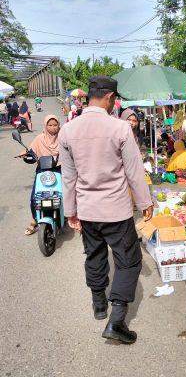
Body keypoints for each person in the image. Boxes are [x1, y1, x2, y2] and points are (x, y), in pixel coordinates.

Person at [59, 76, 153, 344]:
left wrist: (70, 211)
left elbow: (69, 176)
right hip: (117, 211)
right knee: (129, 261)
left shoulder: (68, 130)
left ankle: (99, 306)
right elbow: (134, 172)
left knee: (95, 255)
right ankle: (116, 321)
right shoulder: (121, 128)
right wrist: (146, 203)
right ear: (111, 98)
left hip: (88, 211)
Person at [24, 115, 60, 235]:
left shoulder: (63, 137)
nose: (53, 128)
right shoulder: (39, 138)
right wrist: (25, 154)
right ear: (45, 126)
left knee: (70, 193)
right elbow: (31, 152)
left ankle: (72, 216)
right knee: (35, 197)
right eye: (50, 125)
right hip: (43, 172)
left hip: (60, 170)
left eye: (55, 125)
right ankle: (35, 219)